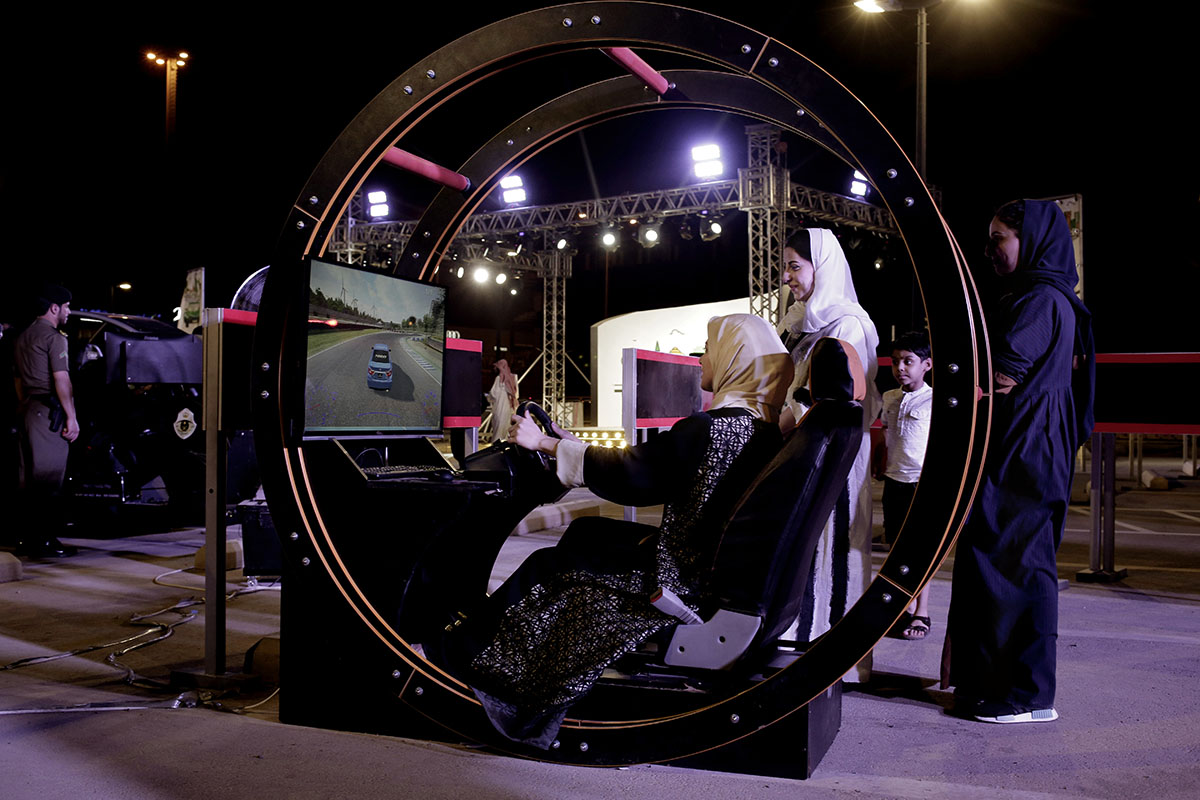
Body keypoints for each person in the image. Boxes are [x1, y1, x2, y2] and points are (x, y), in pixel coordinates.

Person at [447, 313, 793, 747]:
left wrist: (544, 443)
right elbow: (650, 464)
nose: (702, 358)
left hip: (674, 577)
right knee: (585, 533)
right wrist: (567, 443)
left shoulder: (710, 429)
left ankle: (467, 662)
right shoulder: (759, 429)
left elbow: (635, 477)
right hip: (700, 566)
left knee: (546, 565)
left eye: (710, 349)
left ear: (733, 358)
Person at [945, 199, 1095, 724]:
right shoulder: (1043, 295)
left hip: (1026, 445)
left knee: (1017, 562)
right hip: (1030, 440)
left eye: (999, 239)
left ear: (1031, 241)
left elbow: (1000, 377)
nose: (989, 250)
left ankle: (1025, 695)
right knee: (1008, 557)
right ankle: (998, 684)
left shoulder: (1040, 299)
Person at [778, 228, 880, 680]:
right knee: (807, 546)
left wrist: (783, 419)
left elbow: (837, 393)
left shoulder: (847, 323)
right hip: (805, 448)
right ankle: (799, 644)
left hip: (836, 450)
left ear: (822, 267)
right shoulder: (804, 321)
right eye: (784, 267)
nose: (787, 277)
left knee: (835, 546)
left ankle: (835, 659)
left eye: (794, 266)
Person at [873, 330, 933, 640]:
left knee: (921, 550)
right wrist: (879, 459)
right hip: (894, 482)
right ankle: (903, 606)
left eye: (909, 361)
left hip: (920, 484)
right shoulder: (889, 397)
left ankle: (922, 611)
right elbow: (885, 433)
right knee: (896, 548)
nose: (900, 368)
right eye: (896, 361)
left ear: (927, 365)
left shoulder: (934, 400)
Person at [12, 284, 80, 558]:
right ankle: (45, 541)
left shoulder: (22, 336)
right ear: (54, 308)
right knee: (49, 479)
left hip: (28, 410)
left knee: (27, 479)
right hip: (48, 412)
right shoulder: (54, 338)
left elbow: (18, 380)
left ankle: (26, 539)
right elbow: (61, 379)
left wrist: (24, 406)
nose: (69, 312)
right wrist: (71, 417)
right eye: (66, 307)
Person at [487, 358, 518, 442]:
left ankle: (497, 443)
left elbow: (493, 393)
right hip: (508, 406)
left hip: (499, 406)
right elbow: (516, 394)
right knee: (506, 425)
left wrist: (489, 398)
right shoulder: (513, 378)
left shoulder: (498, 378)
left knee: (499, 425)